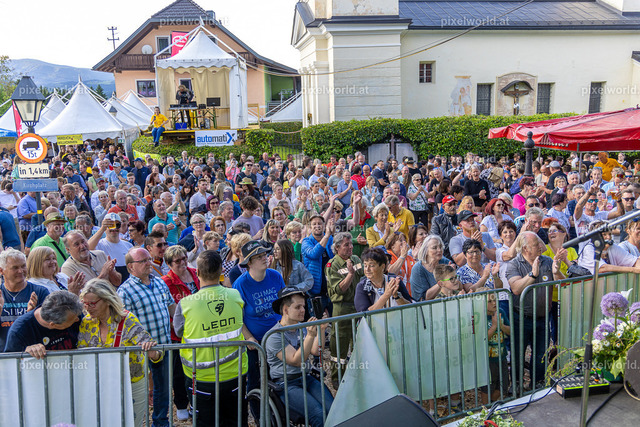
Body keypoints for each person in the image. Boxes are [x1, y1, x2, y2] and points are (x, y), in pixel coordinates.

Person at [173, 250, 250, 426]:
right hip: (234, 373)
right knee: (236, 420)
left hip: (201, 377)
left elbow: (178, 331)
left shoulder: (186, 304)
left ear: (198, 272)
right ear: (221, 270)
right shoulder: (235, 296)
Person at [77, 279, 162, 427]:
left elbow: (156, 351)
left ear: (107, 300)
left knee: (131, 423)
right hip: (101, 385)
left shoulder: (127, 320)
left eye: (92, 303)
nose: (88, 308)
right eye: (85, 303)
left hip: (131, 384)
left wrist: (152, 353)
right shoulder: (86, 322)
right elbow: (80, 351)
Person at [118, 247, 176, 427]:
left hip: (163, 345)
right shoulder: (125, 291)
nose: (149, 263)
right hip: (140, 351)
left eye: (149, 259)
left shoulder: (159, 282)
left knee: (163, 388)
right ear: (130, 266)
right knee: (140, 391)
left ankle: (160, 421)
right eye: (143, 261)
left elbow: (171, 307)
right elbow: (124, 325)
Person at [264, 288, 333, 427]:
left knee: (333, 410)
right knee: (318, 415)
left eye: (303, 306)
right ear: (285, 310)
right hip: (286, 383)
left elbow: (315, 351)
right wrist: (311, 335)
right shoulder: (274, 335)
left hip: (306, 377)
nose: (303, 310)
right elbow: (296, 360)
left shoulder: (302, 327)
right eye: (298, 307)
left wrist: (321, 329)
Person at [505, 231, 565, 390]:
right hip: (521, 317)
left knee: (541, 354)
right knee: (518, 354)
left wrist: (556, 272)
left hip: (543, 317)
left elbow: (562, 284)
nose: (541, 246)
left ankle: (537, 383)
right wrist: (532, 275)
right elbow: (516, 288)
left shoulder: (547, 261)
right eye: (536, 244)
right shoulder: (514, 264)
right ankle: (517, 385)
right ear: (525, 248)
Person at [232, 240, 285, 402]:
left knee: (280, 376)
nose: (265, 258)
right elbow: (237, 317)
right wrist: (248, 337)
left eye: (265, 254)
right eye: (259, 256)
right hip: (255, 343)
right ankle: (258, 411)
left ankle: (280, 409)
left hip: (278, 336)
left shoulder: (275, 276)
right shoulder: (240, 285)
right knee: (256, 380)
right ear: (249, 263)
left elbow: (285, 304)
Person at [325, 232, 364, 385]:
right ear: (337, 247)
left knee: (359, 343)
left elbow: (364, 277)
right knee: (339, 346)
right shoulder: (332, 265)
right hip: (342, 308)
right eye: (346, 245)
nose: (350, 247)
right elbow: (339, 289)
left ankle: (358, 376)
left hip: (358, 306)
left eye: (351, 244)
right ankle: (337, 378)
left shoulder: (356, 259)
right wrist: (350, 274)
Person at [4, 290, 82, 356]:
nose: (78, 319)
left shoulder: (73, 312)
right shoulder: (19, 331)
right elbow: (10, 363)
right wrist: (26, 352)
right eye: (73, 320)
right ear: (53, 324)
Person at [0, 249, 51, 351]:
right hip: (4, 356)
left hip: (33, 353)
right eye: (15, 268)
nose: (20, 271)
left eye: (23, 266)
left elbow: (50, 328)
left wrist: (31, 316)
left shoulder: (40, 292)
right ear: (1, 271)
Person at [354, 247, 411, 311]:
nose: (367, 269)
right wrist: (386, 295)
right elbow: (364, 313)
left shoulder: (394, 281)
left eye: (371, 265)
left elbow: (410, 307)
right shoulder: (362, 287)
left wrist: (397, 296)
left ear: (382, 267)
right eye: (365, 266)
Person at [301, 214, 335, 316]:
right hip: (315, 291)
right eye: (314, 224)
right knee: (318, 321)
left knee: (334, 320)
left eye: (319, 223)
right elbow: (314, 254)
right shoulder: (306, 242)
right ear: (310, 227)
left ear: (324, 225)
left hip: (331, 289)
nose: (317, 226)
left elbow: (334, 255)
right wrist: (326, 236)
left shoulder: (330, 239)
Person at [481, 288, 510, 402]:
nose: (494, 303)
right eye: (490, 301)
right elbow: (482, 339)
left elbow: (510, 331)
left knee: (504, 384)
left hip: (501, 356)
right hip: (487, 360)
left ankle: (491, 404)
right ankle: (485, 407)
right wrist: (494, 326)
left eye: (495, 300)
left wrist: (501, 325)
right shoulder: (480, 316)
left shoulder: (500, 312)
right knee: (488, 386)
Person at [410, 235, 451, 301]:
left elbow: (458, 286)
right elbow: (423, 298)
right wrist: (442, 281)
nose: (439, 250)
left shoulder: (445, 262)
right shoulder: (418, 269)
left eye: (441, 247)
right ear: (426, 251)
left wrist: (453, 274)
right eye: (434, 248)